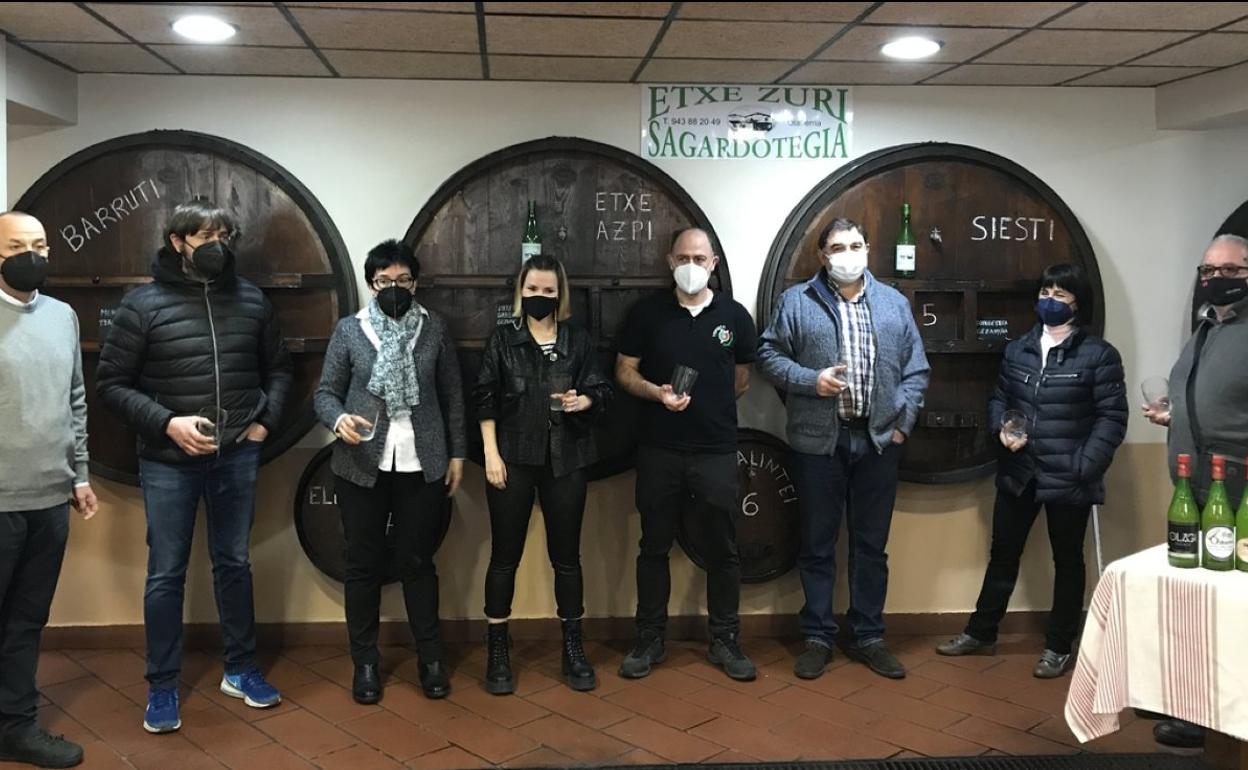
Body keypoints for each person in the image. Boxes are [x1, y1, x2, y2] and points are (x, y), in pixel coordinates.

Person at [97, 200, 291, 734]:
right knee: (166, 572)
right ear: (178, 241)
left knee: (234, 563)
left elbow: (278, 370)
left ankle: (241, 669)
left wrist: (263, 424)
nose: (216, 246)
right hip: (168, 462)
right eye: (205, 236)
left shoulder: (250, 299)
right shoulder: (142, 304)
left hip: (237, 456)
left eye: (224, 236)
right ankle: (162, 685)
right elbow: (111, 385)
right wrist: (166, 424)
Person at [757, 217, 929, 681]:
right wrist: (810, 380)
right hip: (819, 443)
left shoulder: (893, 303)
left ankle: (868, 635)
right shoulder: (797, 301)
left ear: (868, 248)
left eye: (855, 245)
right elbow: (769, 355)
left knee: (871, 546)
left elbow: (916, 370)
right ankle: (817, 636)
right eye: (837, 247)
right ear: (822, 255)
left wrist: (902, 425)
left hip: (878, 442)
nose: (847, 255)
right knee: (817, 544)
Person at [936, 264, 1127, 678]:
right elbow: (999, 399)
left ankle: (1058, 646)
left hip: (1069, 474)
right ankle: (981, 632)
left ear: (1078, 303)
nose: (1050, 301)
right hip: (1019, 470)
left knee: (1068, 561)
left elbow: (1112, 418)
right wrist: (1001, 429)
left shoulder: (1098, 355)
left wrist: (1085, 465)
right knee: (1003, 555)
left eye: (1060, 294)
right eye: (1045, 292)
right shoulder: (1018, 349)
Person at [315, 239, 465, 703]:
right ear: (371, 284)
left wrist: (458, 454)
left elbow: (453, 395)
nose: (394, 287)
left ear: (415, 284)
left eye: (403, 280)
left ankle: (431, 659)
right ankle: (365, 663)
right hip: (361, 464)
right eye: (384, 281)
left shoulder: (434, 329)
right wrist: (339, 420)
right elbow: (325, 392)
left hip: (423, 462)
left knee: (417, 562)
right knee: (362, 564)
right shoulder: (350, 330)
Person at [615, 227, 757, 682]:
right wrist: (655, 393)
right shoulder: (647, 313)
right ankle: (649, 638)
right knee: (653, 546)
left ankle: (725, 638)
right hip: (659, 448)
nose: (691, 266)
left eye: (700, 258)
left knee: (723, 549)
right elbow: (624, 371)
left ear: (713, 263)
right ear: (670, 262)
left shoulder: (734, 316)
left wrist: (710, 409)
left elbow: (741, 378)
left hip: (716, 449)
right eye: (683, 258)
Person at [474, 254, 612, 694]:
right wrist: (491, 455)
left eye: (548, 290)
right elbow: (485, 398)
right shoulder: (502, 340)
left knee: (567, 558)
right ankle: (498, 647)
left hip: (567, 458)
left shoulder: (577, 339)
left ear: (559, 294)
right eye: (532, 289)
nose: (539, 296)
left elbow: (602, 389)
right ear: (521, 291)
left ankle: (573, 646)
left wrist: (584, 401)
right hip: (513, 458)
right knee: (504, 556)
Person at [0, 212, 98, 769]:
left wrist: (78, 475)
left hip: (50, 498)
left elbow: (74, 399)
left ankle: (15, 727)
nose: (31, 256)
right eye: (17, 246)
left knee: (26, 620)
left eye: (39, 245)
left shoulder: (62, 315)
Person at [1143, 233, 1248, 749]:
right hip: (1197, 486)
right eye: (1208, 270)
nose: (1216, 279)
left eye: (1230, 270)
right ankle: (1194, 704)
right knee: (1200, 599)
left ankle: (1227, 718)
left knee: (1235, 606)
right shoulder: (1208, 326)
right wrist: (1176, 417)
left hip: (1240, 492)